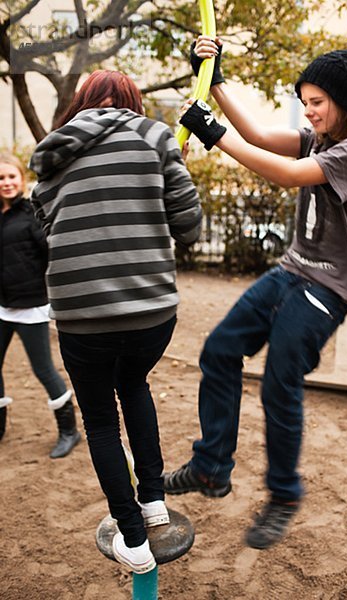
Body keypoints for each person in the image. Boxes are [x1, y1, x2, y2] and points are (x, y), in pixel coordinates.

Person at [164, 40, 347, 550]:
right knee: (219, 352)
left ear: (345, 101)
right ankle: (211, 468)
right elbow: (260, 135)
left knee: (278, 381)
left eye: (317, 102)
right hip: (292, 270)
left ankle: (284, 494)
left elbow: (286, 176)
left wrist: (211, 134)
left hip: (330, 286)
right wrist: (214, 79)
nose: (308, 111)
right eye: (304, 101)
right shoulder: (317, 137)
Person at [29, 70, 202, 574]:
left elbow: (46, 231)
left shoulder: (50, 155)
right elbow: (188, 228)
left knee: (101, 420)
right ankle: (152, 504)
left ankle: (134, 540)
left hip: (82, 316)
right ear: (132, 101)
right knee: (135, 386)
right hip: (150, 312)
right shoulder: (155, 136)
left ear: (80, 103)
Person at [0, 152, 80, 458]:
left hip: (31, 306)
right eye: (1, 178)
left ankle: (69, 431)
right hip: (2, 306)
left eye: (11, 176)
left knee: (43, 369)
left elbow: (52, 254)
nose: (6, 183)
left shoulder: (33, 212)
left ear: (21, 179)